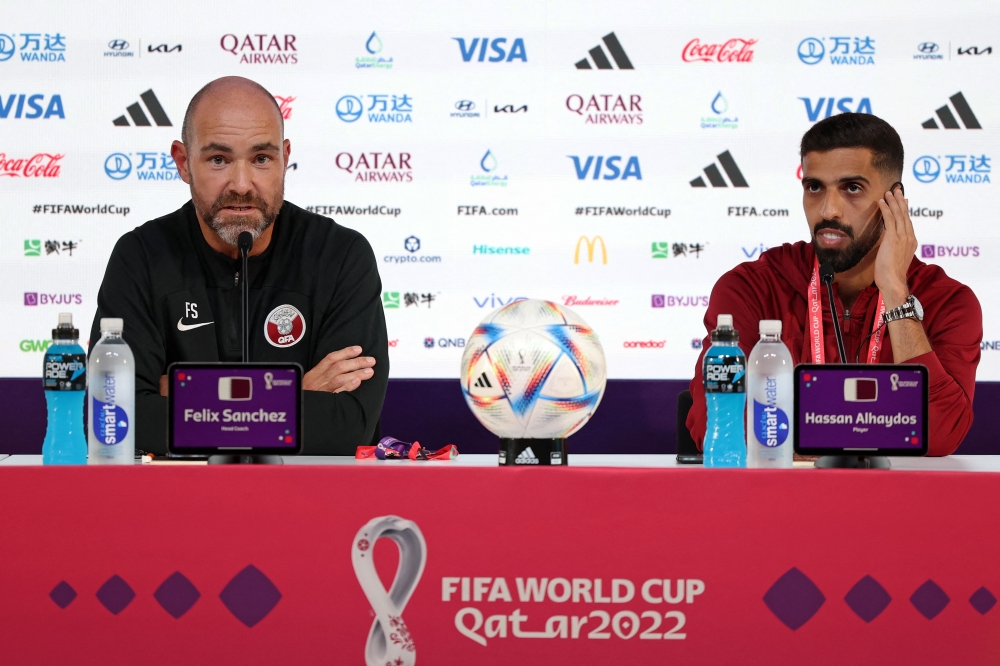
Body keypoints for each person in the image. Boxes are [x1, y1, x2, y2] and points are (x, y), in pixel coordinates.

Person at [90, 76, 387, 455]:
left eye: (261, 158)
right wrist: (295, 395)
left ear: (285, 157)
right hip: (178, 503)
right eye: (219, 159)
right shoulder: (141, 257)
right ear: (183, 163)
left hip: (309, 503)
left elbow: (348, 425)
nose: (242, 184)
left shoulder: (341, 255)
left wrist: (186, 396)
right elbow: (117, 423)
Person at [687, 113, 981, 456]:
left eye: (851, 188)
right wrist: (875, 433)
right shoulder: (751, 288)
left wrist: (896, 292)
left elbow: (941, 435)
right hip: (781, 503)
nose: (828, 210)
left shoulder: (948, 301)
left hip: (896, 505)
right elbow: (717, 426)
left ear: (895, 200)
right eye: (814, 187)